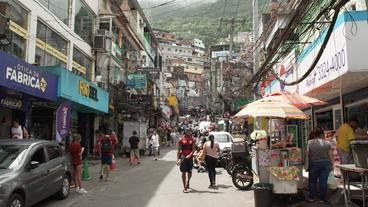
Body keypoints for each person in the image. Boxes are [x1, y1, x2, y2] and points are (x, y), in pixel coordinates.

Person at [307, 127, 334, 203]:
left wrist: (307, 164)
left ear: (314, 134)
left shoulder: (310, 142)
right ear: (322, 134)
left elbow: (307, 154)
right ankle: (322, 198)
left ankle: (311, 198)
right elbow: (330, 155)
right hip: (326, 163)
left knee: (312, 181)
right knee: (323, 181)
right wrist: (332, 164)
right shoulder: (327, 143)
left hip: (314, 163)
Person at [177, 128, 196, 193]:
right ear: (185, 132)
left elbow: (193, 149)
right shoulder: (181, 140)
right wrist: (178, 159)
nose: (189, 132)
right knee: (183, 171)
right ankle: (184, 187)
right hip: (183, 157)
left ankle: (188, 181)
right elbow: (179, 150)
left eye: (190, 131)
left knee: (190, 172)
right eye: (187, 131)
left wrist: (190, 155)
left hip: (190, 157)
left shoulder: (193, 140)